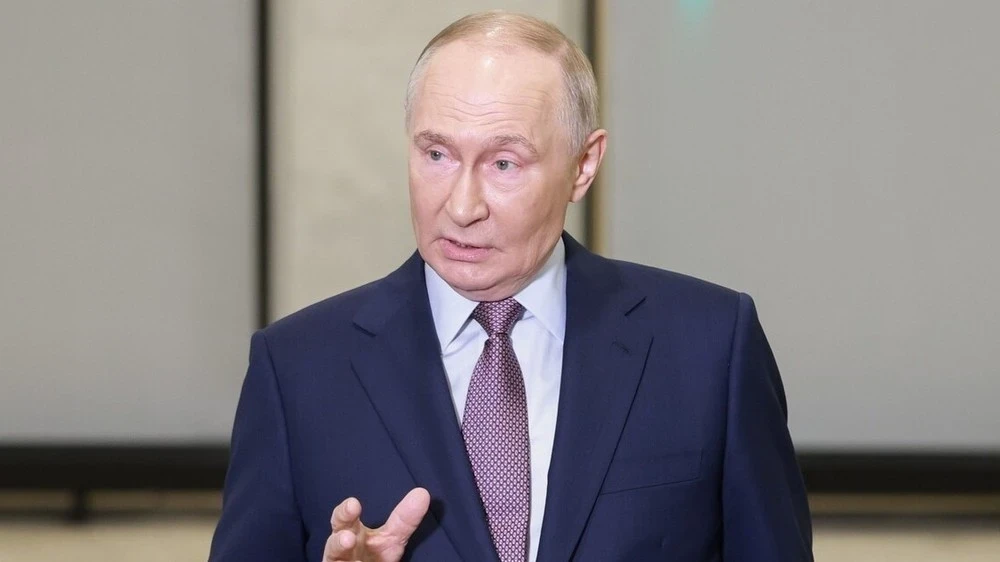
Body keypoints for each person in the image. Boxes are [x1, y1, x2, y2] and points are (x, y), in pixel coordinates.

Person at [209, 11, 813, 562]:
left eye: (504, 163)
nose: (462, 206)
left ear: (583, 165)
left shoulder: (710, 346)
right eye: (437, 154)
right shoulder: (297, 369)